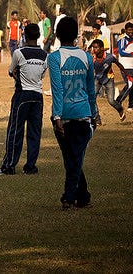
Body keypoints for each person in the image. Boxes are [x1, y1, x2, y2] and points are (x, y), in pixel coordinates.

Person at [47, 16, 98, 209]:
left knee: (72, 158)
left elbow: (57, 89)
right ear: (76, 36)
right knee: (74, 157)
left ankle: (68, 197)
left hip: (64, 115)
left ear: (58, 35)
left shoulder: (54, 58)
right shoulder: (86, 57)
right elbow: (91, 90)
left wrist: (58, 116)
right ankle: (83, 197)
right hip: (84, 114)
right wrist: (94, 114)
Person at [0, 23, 48, 175]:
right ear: (38, 36)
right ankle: (30, 166)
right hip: (38, 96)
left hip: (22, 95)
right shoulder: (45, 55)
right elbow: (42, 75)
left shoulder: (18, 52)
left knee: (15, 131)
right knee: (34, 132)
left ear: (25, 35)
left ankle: (9, 166)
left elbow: (11, 71)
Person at [91, 39, 127, 120]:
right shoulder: (92, 58)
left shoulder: (109, 57)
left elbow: (119, 64)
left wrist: (126, 74)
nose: (94, 50)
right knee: (92, 99)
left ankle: (120, 109)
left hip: (108, 79)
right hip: (97, 78)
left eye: (96, 48)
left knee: (111, 101)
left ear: (102, 48)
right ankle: (97, 119)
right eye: (93, 47)